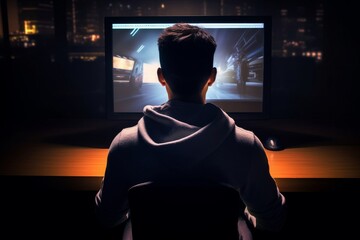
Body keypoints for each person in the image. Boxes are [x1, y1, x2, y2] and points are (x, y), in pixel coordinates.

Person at [95, 23, 287, 239]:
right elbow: (273, 222)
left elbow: (107, 218)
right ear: (212, 77)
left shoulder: (124, 145)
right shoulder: (246, 145)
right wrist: (239, 213)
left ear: (161, 76)